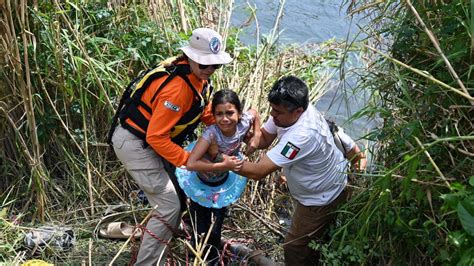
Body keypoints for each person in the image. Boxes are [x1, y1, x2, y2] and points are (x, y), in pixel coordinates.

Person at [110, 28, 236, 265]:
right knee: (168, 204)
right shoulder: (177, 90)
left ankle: (172, 230)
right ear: (190, 58)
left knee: (179, 194)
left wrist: (228, 128)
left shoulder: (196, 78)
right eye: (204, 65)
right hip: (136, 144)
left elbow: (202, 111)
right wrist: (191, 163)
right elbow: (156, 137)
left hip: (152, 142)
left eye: (214, 66)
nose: (209, 70)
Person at [237, 76, 366, 265]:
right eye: (272, 109)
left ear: (298, 111)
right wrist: (241, 134)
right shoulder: (289, 112)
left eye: (277, 112)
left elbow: (258, 172)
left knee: (294, 247)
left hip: (320, 197)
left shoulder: (302, 136)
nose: (272, 115)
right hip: (327, 180)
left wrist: (221, 161)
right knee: (316, 239)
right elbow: (264, 139)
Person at [176, 89, 261, 264]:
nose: (225, 119)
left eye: (230, 113)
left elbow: (255, 112)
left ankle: (212, 253)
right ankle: (200, 249)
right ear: (213, 115)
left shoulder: (244, 122)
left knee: (218, 220)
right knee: (201, 219)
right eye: (219, 114)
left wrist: (257, 135)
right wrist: (224, 165)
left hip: (221, 182)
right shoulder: (211, 134)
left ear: (239, 112)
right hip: (202, 181)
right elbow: (191, 164)